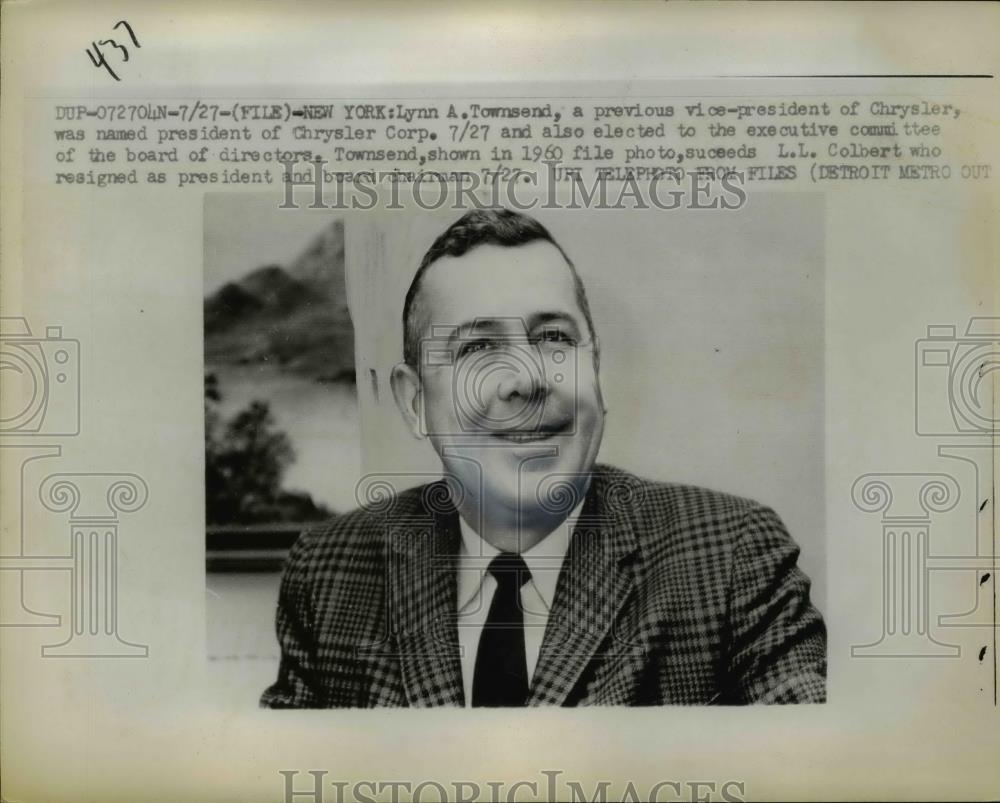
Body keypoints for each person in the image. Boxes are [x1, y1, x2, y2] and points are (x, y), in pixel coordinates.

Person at [261, 208, 826, 708]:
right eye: (478, 347)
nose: (528, 380)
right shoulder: (327, 574)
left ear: (594, 370)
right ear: (416, 403)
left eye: (554, 338)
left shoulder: (731, 559)